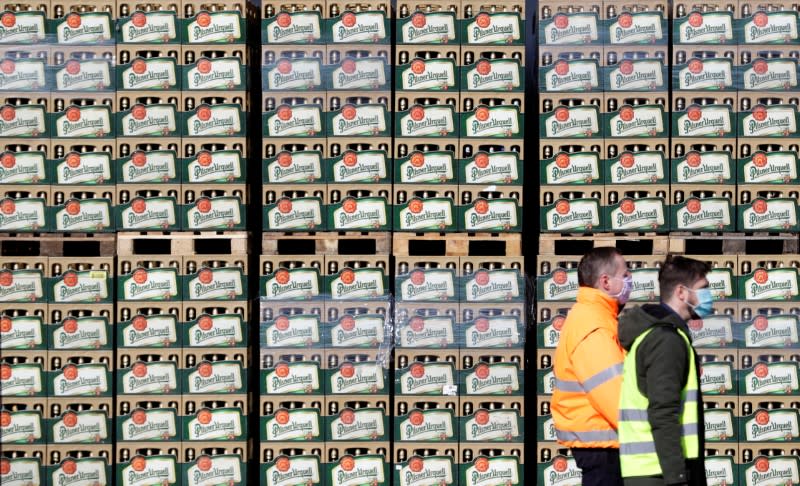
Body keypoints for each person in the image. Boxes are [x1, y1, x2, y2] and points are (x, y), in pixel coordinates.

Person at [617, 255, 710, 486]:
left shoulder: (656, 335)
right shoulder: (666, 340)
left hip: (652, 471)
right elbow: (663, 412)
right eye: (703, 288)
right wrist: (678, 478)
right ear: (682, 292)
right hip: (659, 474)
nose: (709, 296)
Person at [552, 247, 632, 486]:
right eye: (625, 275)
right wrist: (649, 433)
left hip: (604, 445)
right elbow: (614, 395)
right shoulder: (594, 326)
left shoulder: (597, 316)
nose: (630, 280)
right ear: (605, 281)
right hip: (604, 448)